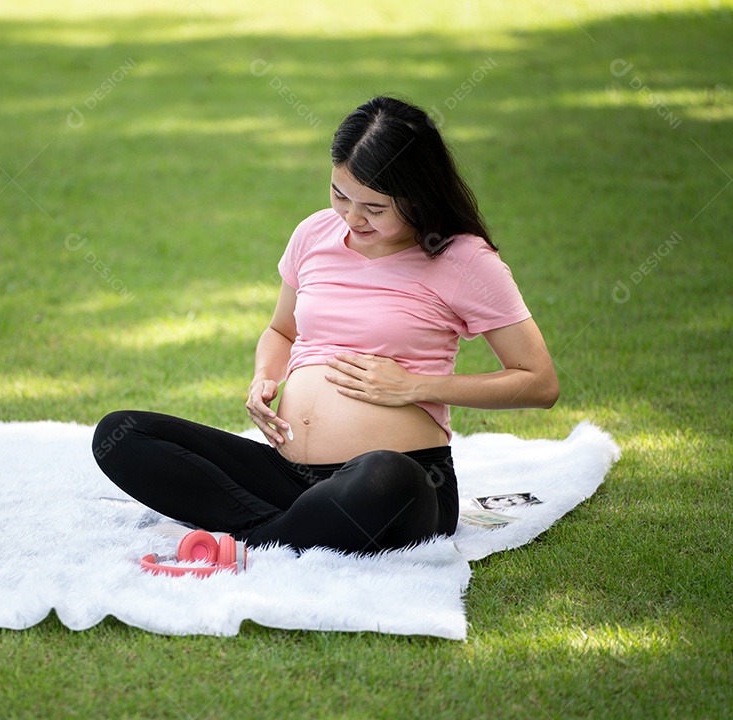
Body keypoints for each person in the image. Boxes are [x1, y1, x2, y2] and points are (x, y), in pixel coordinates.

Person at [92, 96, 559, 556]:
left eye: (374, 208)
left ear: (418, 196)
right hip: (286, 473)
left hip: (401, 482)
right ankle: (288, 530)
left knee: (382, 479)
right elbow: (280, 332)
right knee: (122, 434)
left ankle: (248, 539)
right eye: (340, 194)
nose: (352, 218)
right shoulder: (314, 234)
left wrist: (415, 386)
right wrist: (263, 379)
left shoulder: (464, 260)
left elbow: (538, 382)